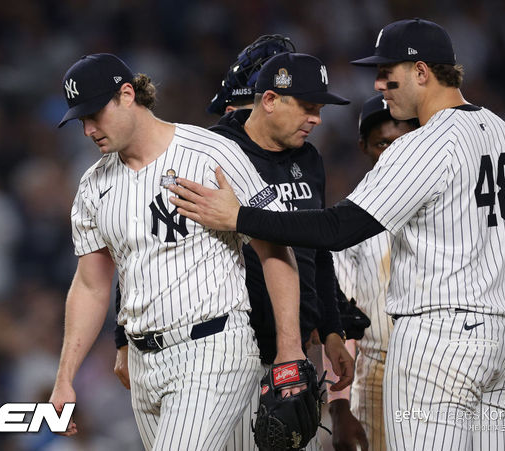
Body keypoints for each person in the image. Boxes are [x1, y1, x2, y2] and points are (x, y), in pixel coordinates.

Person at [167, 19, 505, 451]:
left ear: (422, 72)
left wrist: (240, 216)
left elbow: (337, 229)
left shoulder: (424, 144)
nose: (380, 84)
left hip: (440, 348)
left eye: (389, 73)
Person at [48, 53, 307, 451]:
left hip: (213, 346)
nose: (87, 130)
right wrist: (65, 376)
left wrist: (290, 349)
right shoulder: (93, 186)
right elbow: (90, 285)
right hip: (143, 365)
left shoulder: (209, 153)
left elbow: (275, 248)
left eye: (94, 114)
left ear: (127, 94)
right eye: (80, 120)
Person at [115, 38, 356, 451]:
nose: (317, 120)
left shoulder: (309, 159)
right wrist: (122, 338)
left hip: (293, 352)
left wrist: (332, 329)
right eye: (308, 108)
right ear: (267, 99)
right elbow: (149, 243)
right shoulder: (209, 152)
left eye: (319, 109)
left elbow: (316, 248)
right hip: (230, 351)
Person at [328, 94, 418, 451]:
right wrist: (339, 407)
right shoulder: (349, 219)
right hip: (376, 372)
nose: (393, 152)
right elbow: (340, 322)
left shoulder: (451, 204)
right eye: (382, 143)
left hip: (443, 363)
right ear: (364, 146)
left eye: (402, 140)